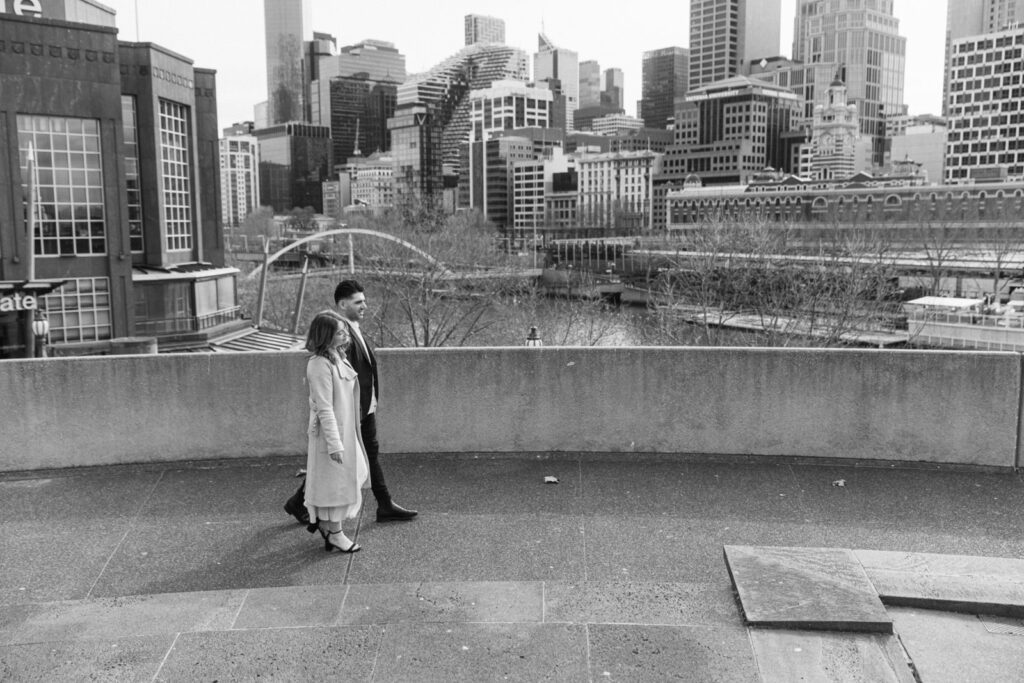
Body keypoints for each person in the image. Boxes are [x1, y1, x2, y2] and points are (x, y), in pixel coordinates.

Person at [285, 280, 418, 525]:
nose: (364, 306)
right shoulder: (339, 333)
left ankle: (384, 503)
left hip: (364, 407)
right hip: (353, 411)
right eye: (358, 302)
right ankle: (305, 502)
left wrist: (371, 402)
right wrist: (353, 411)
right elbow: (341, 373)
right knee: (349, 459)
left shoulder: (351, 328)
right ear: (342, 304)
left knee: (370, 454)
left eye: (364, 301)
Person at [303, 311, 369, 553]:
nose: (345, 334)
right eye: (340, 331)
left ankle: (330, 528)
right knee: (335, 486)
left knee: (351, 477)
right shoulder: (319, 364)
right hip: (334, 435)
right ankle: (335, 533)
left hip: (345, 432)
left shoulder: (336, 357)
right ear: (326, 335)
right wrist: (335, 444)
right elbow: (324, 408)